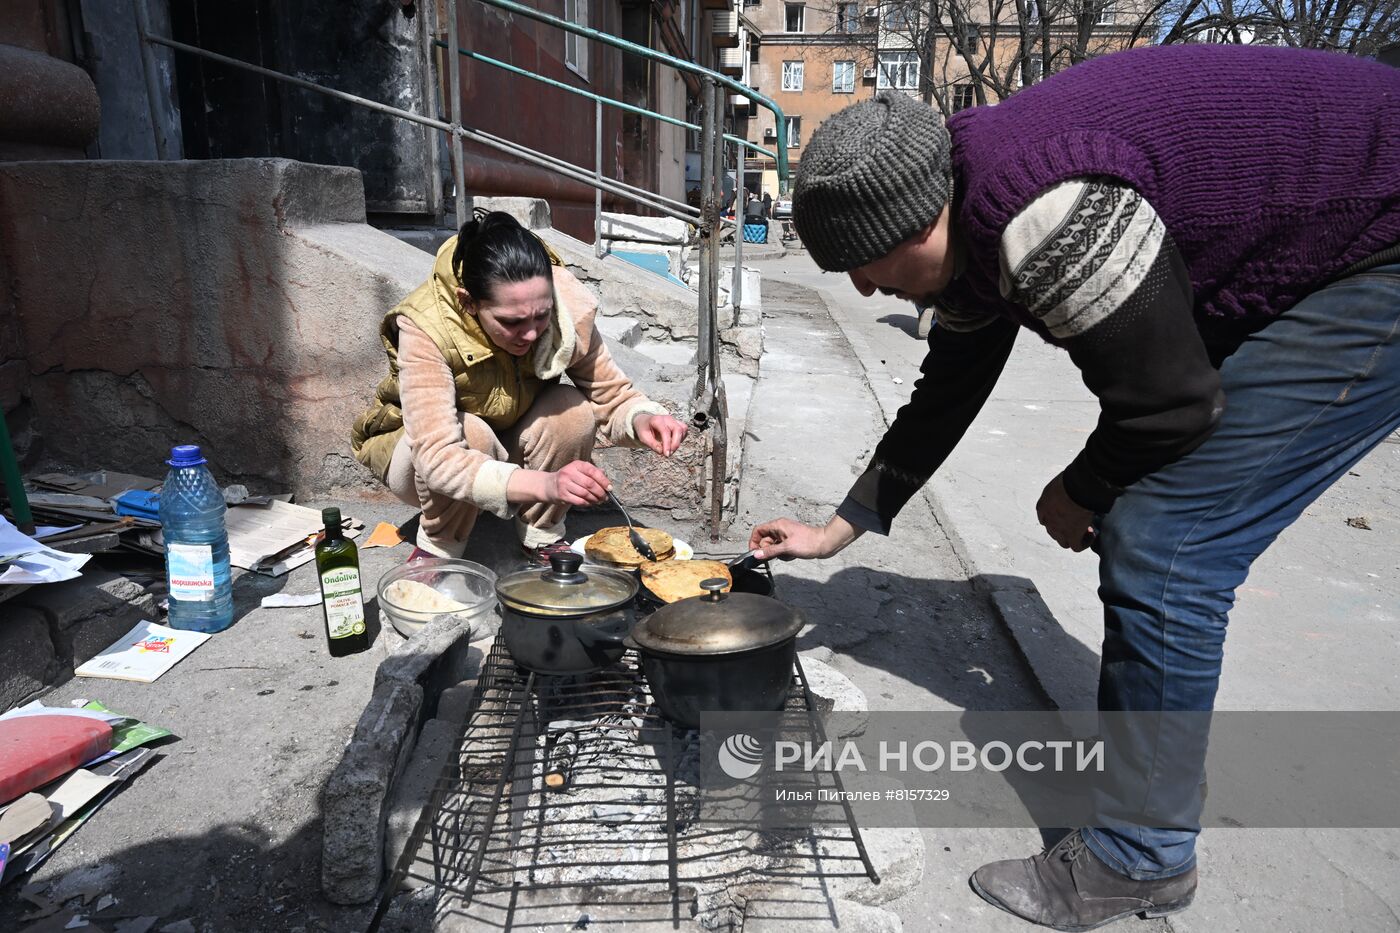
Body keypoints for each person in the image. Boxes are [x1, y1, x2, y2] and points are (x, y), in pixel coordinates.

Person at [749, 44, 1400, 930]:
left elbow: (1172, 406)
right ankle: (1160, 771)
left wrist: (1081, 489)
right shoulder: (965, 215)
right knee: (1149, 514)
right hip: (1315, 230)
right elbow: (946, 392)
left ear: (914, 229)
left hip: (1377, 244)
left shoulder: (1046, 218)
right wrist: (838, 528)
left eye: (863, 266)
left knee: (1166, 541)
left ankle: (1140, 858)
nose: (864, 291)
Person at [352, 210, 688, 562]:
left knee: (571, 411)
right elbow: (437, 458)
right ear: (468, 302)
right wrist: (548, 485)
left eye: (541, 316)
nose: (530, 334)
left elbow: (611, 393)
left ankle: (541, 535)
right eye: (512, 322)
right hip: (421, 459)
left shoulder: (564, 309)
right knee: (473, 433)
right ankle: (440, 547)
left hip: (506, 446)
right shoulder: (426, 326)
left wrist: (642, 419)